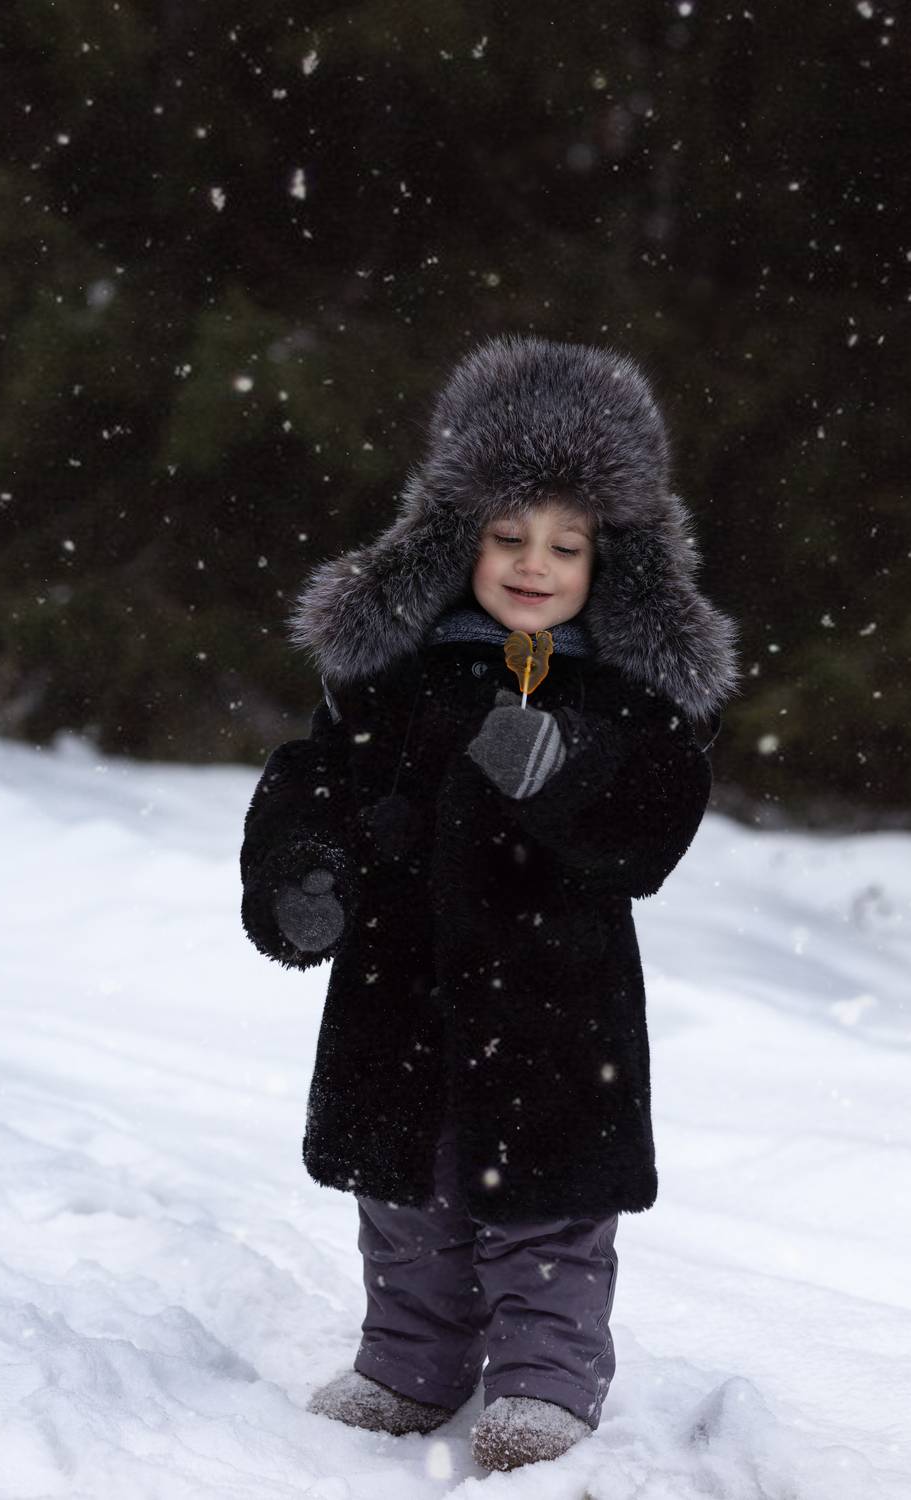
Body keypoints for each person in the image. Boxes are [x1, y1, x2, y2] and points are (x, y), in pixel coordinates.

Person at [239, 334, 741, 1472]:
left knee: (545, 1208)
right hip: (400, 984)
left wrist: (563, 767)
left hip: (556, 1003)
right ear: (456, 535)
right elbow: (316, 779)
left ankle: (543, 1382)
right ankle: (407, 1363)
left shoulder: (626, 692)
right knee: (405, 1198)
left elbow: (654, 821)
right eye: (508, 535)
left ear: (611, 556)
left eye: (566, 544)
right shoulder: (396, 676)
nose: (533, 564)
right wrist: (303, 871)